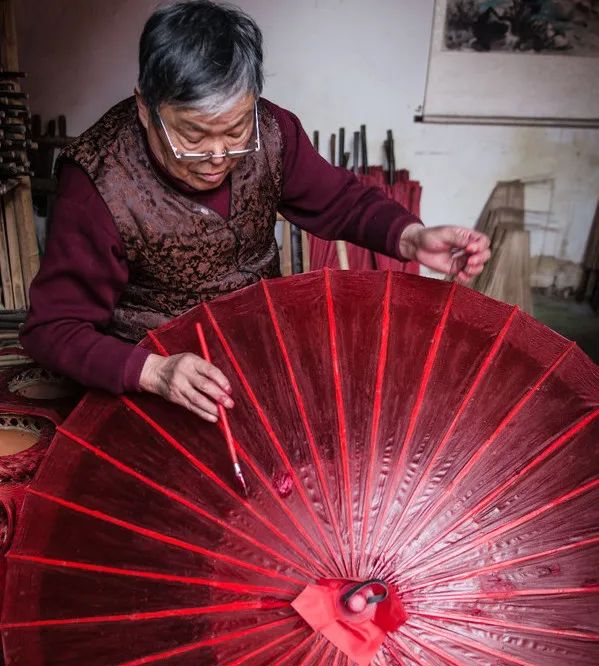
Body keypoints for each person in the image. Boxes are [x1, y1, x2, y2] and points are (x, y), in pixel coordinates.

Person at [21, 0, 490, 424]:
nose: (218, 156)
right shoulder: (99, 182)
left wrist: (410, 237)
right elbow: (52, 330)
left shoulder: (273, 131)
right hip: (156, 386)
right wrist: (153, 371)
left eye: (235, 131)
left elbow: (338, 199)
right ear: (146, 107)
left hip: (258, 351)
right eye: (193, 136)